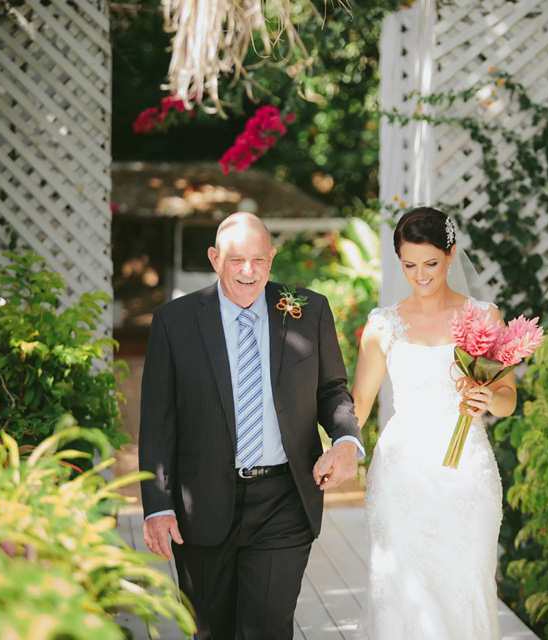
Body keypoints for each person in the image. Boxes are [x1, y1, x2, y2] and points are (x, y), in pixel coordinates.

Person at [139, 212, 364, 640]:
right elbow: (157, 423)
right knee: (211, 631)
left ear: (272, 258)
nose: (248, 271)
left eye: (259, 260)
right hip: (200, 503)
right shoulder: (175, 321)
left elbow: (332, 390)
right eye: (235, 259)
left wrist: (346, 440)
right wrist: (158, 506)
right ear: (213, 258)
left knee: (266, 628)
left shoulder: (307, 309)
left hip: (283, 500)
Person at [349, 207, 517, 639]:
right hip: (401, 475)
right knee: (403, 592)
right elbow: (360, 403)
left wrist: (487, 398)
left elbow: (508, 400)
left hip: (467, 475)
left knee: (467, 584)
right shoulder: (382, 324)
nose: (420, 275)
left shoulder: (484, 317)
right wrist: (336, 445)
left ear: (451, 254)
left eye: (431, 263)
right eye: (409, 265)